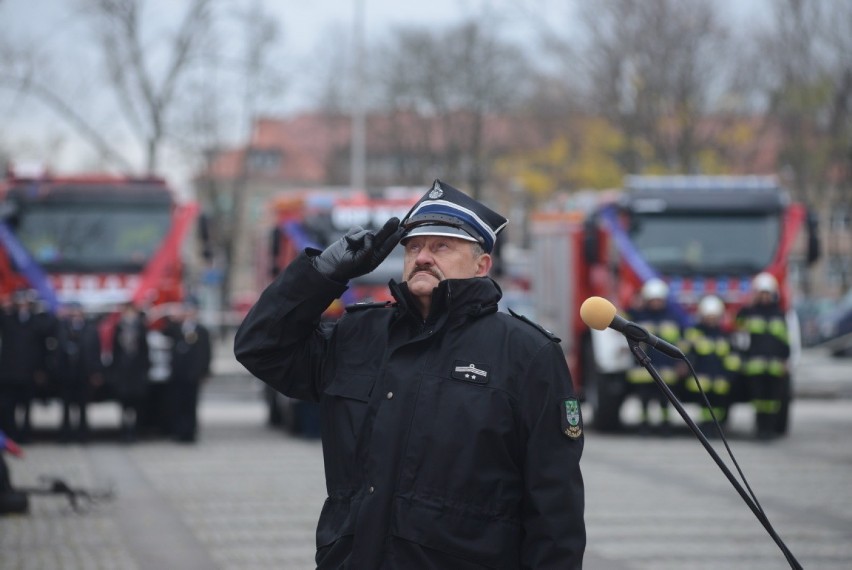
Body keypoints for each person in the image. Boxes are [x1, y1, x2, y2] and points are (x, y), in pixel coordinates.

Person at [235, 179, 585, 569]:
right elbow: (260, 348)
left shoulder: (525, 352)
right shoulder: (359, 335)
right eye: (414, 247)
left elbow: (555, 509)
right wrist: (321, 275)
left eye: (441, 246)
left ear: (481, 265)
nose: (422, 257)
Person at [735, 272, 790, 440]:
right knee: (758, 400)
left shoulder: (779, 315)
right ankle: (760, 429)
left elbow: (785, 341)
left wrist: (786, 360)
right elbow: (736, 326)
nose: (764, 297)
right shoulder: (749, 313)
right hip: (755, 366)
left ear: (773, 294)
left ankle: (770, 430)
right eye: (761, 293)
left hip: (774, 366)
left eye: (767, 293)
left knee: (773, 401)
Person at [625, 278, 683, 435]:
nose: (656, 303)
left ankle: (665, 426)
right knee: (644, 399)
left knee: (665, 400)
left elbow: (682, 339)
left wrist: (682, 362)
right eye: (653, 300)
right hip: (642, 370)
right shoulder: (638, 315)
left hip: (666, 369)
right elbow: (621, 317)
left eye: (659, 300)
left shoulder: (673, 317)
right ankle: (644, 425)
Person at [682, 295, 741, 436]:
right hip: (702, 377)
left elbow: (732, 356)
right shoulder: (694, 333)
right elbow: (686, 353)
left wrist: (730, 375)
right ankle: (707, 427)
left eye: (714, 317)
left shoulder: (725, 335)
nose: (711, 320)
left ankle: (719, 426)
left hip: (721, 378)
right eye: (708, 317)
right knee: (705, 405)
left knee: (720, 404)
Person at [0, 289, 53, 443]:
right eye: (20, 302)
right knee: (8, 406)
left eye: (26, 302)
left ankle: (26, 435)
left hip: (29, 372)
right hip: (9, 373)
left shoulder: (37, 321)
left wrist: (41, 370)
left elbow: (45, 343)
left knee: (27, 406)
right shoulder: (8, 318)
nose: (22, 305)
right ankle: (11, 434)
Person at [163, 300, 211, 443]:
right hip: (178, 373)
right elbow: (165, 332)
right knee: (177, 403)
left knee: (191, 404)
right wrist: (173, 317)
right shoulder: (177, 328)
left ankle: (190, 432)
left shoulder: (201, 330)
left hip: (193, 374)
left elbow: (206, 352)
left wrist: (205, 371)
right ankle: (178, 432)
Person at [55, 302, 103, 443]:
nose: (75, 314)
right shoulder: (62, 327)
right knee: (66, 405)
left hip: (84, 373)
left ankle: (83, 434)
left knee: (82, 406)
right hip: (67, 373)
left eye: (78, 311)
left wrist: (96, 372)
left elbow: (96, 351)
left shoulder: (91, 329)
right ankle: (65, 434)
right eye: (73, 311)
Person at [109, 303, 151, 442]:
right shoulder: (119, 328)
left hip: (136, 374)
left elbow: (145, 352)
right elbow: (114, 351)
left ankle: (134, 431)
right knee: (124, 404)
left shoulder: (141, 328)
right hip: (123, 374)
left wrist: (145, 371)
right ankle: (124, 431)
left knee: (136, 404)